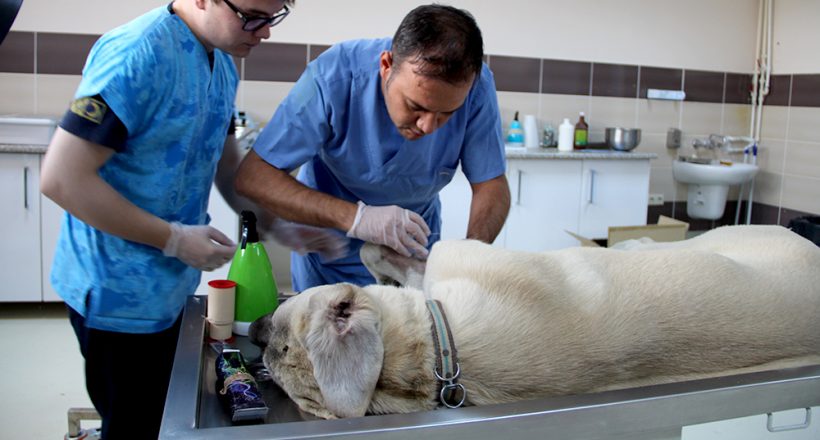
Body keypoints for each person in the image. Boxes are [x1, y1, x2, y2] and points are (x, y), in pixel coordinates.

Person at [40, 1, 344, 438]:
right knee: (133, 424)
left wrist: (275, 225)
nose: (265, 32)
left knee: (165, 414)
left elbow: (225, 163)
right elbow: (63, 179)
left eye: (274, 17)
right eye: (252, 16)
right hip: (117, 294)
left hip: (171, 289)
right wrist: (173, 239)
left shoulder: (222, 65)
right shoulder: (136, 55)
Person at [235, 4, 511, 292]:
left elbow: (490, 184)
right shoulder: (332, 77)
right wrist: (357, 218)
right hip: (331, 252)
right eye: (415, 106)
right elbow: (254, 176)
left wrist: (469, 256)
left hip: (412, 255)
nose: (429, 126)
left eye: (447, 113)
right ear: (386, 66)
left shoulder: (477, 86)